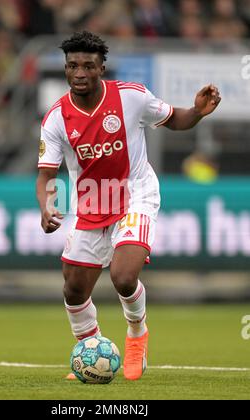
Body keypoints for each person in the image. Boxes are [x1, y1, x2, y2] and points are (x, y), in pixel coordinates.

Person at [36, 31, 221, 381]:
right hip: (91, 203)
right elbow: (46, 175)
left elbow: (173, 119)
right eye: (72, 65)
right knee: (73, 289)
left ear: (101, 68)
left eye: (88, 66)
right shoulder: (56, 118)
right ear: (65, 68)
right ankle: (91, 350)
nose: (79, 73)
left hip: (135, 194)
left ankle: (137, 334)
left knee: (123, 276)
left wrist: (197, 111)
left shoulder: (131, 97)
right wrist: (47, 206)